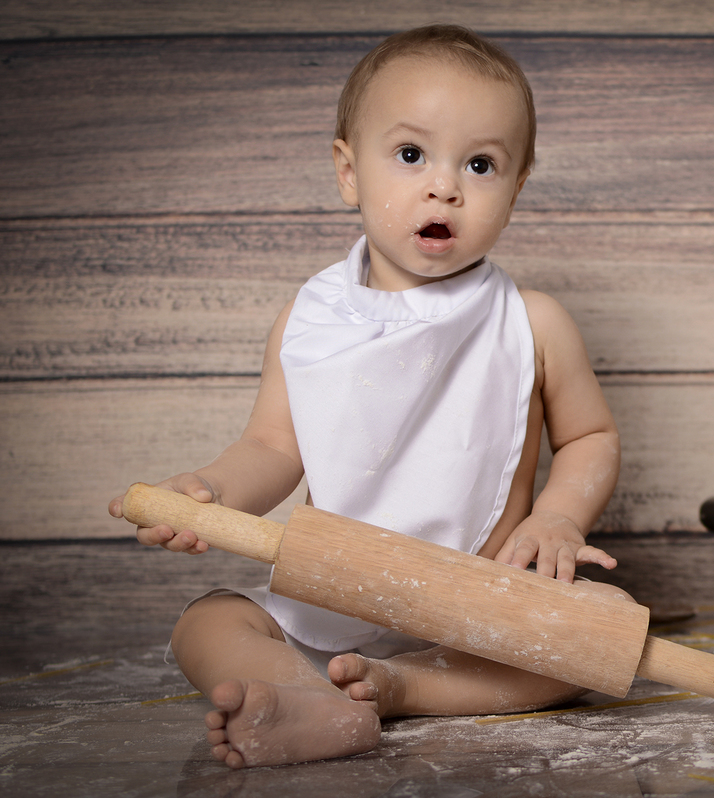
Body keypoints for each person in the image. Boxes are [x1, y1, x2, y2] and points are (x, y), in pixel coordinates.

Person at [108, 24, 628, 769]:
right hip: (334, 595)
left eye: (481, 164)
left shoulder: (532, 322)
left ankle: (400, 688)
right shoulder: (311, 319)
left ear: (516, 189)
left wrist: (557, 518)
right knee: (208, 621)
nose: (444, 184)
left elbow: (589, 439)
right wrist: (213, 492)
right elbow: (273, 448)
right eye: (411, 154)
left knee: (595, 634)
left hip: (472, 610)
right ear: (348, 172)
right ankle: (306, 700)